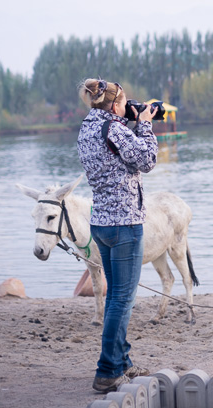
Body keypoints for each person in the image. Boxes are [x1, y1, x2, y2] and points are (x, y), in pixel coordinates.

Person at [77, 78, 158, 393]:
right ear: (113, 105)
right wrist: (146, 125)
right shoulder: (114, 130)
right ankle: (108, 370)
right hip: (124, 224)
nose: (128, 108)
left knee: (115, 297)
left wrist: (132, 124)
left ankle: (122, 361)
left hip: (101, 223)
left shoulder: (88, 128)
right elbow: (147, 161)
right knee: (123, 298)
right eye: (123, 104)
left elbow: (119, 158)